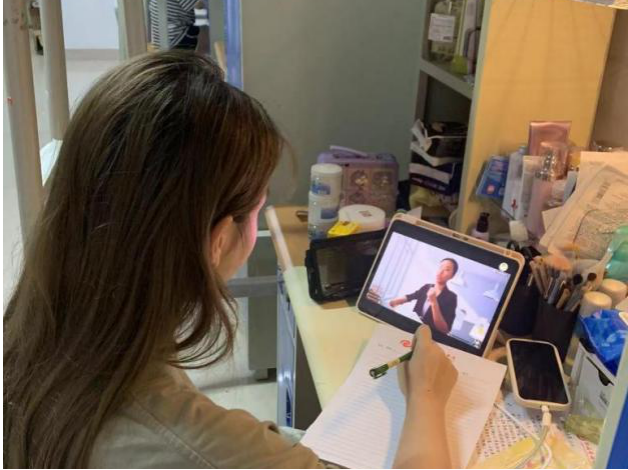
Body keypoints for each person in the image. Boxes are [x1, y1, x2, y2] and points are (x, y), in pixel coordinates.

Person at [3, 51, 458, 469]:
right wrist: (426, 395)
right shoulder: (196, 443)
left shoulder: (43, 337)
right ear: (219, 239)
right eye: (258, 207)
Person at [389, 258, 459, 335]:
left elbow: (445, 330)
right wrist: (393, 302)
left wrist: (434, 302)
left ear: (452, 276)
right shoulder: (427, 287)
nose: (440, 272)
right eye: (440, 267)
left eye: (447, 269)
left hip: (429, 336)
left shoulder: (451, 297)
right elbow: (410, 297)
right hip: (411, 328)